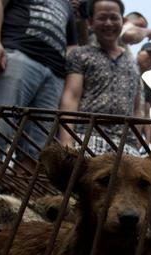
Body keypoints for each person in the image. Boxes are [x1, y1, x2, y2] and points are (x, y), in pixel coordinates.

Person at [0, 0, 78, 161]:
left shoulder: (67, 5)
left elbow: (72, 45)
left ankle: (18, 186)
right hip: (19, 54)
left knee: (36, 151)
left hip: (55, 75)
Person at [59, 0, 140, 155]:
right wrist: (66, 142)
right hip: (87, 138)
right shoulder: (80, 54)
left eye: (114, 17)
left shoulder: (133, 64)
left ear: (122, 21)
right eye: (102, 18)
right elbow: (71, 97)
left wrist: (136, 142)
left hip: (126, 146)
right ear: (90, 22)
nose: (108, 23)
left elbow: (137, 109)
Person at [136, 42, 151, 142]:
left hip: (132, 139)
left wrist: (147, 140)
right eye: (149, 54)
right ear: (139, 52)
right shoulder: (118, 71)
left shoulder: (147, 89)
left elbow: (146, 116)